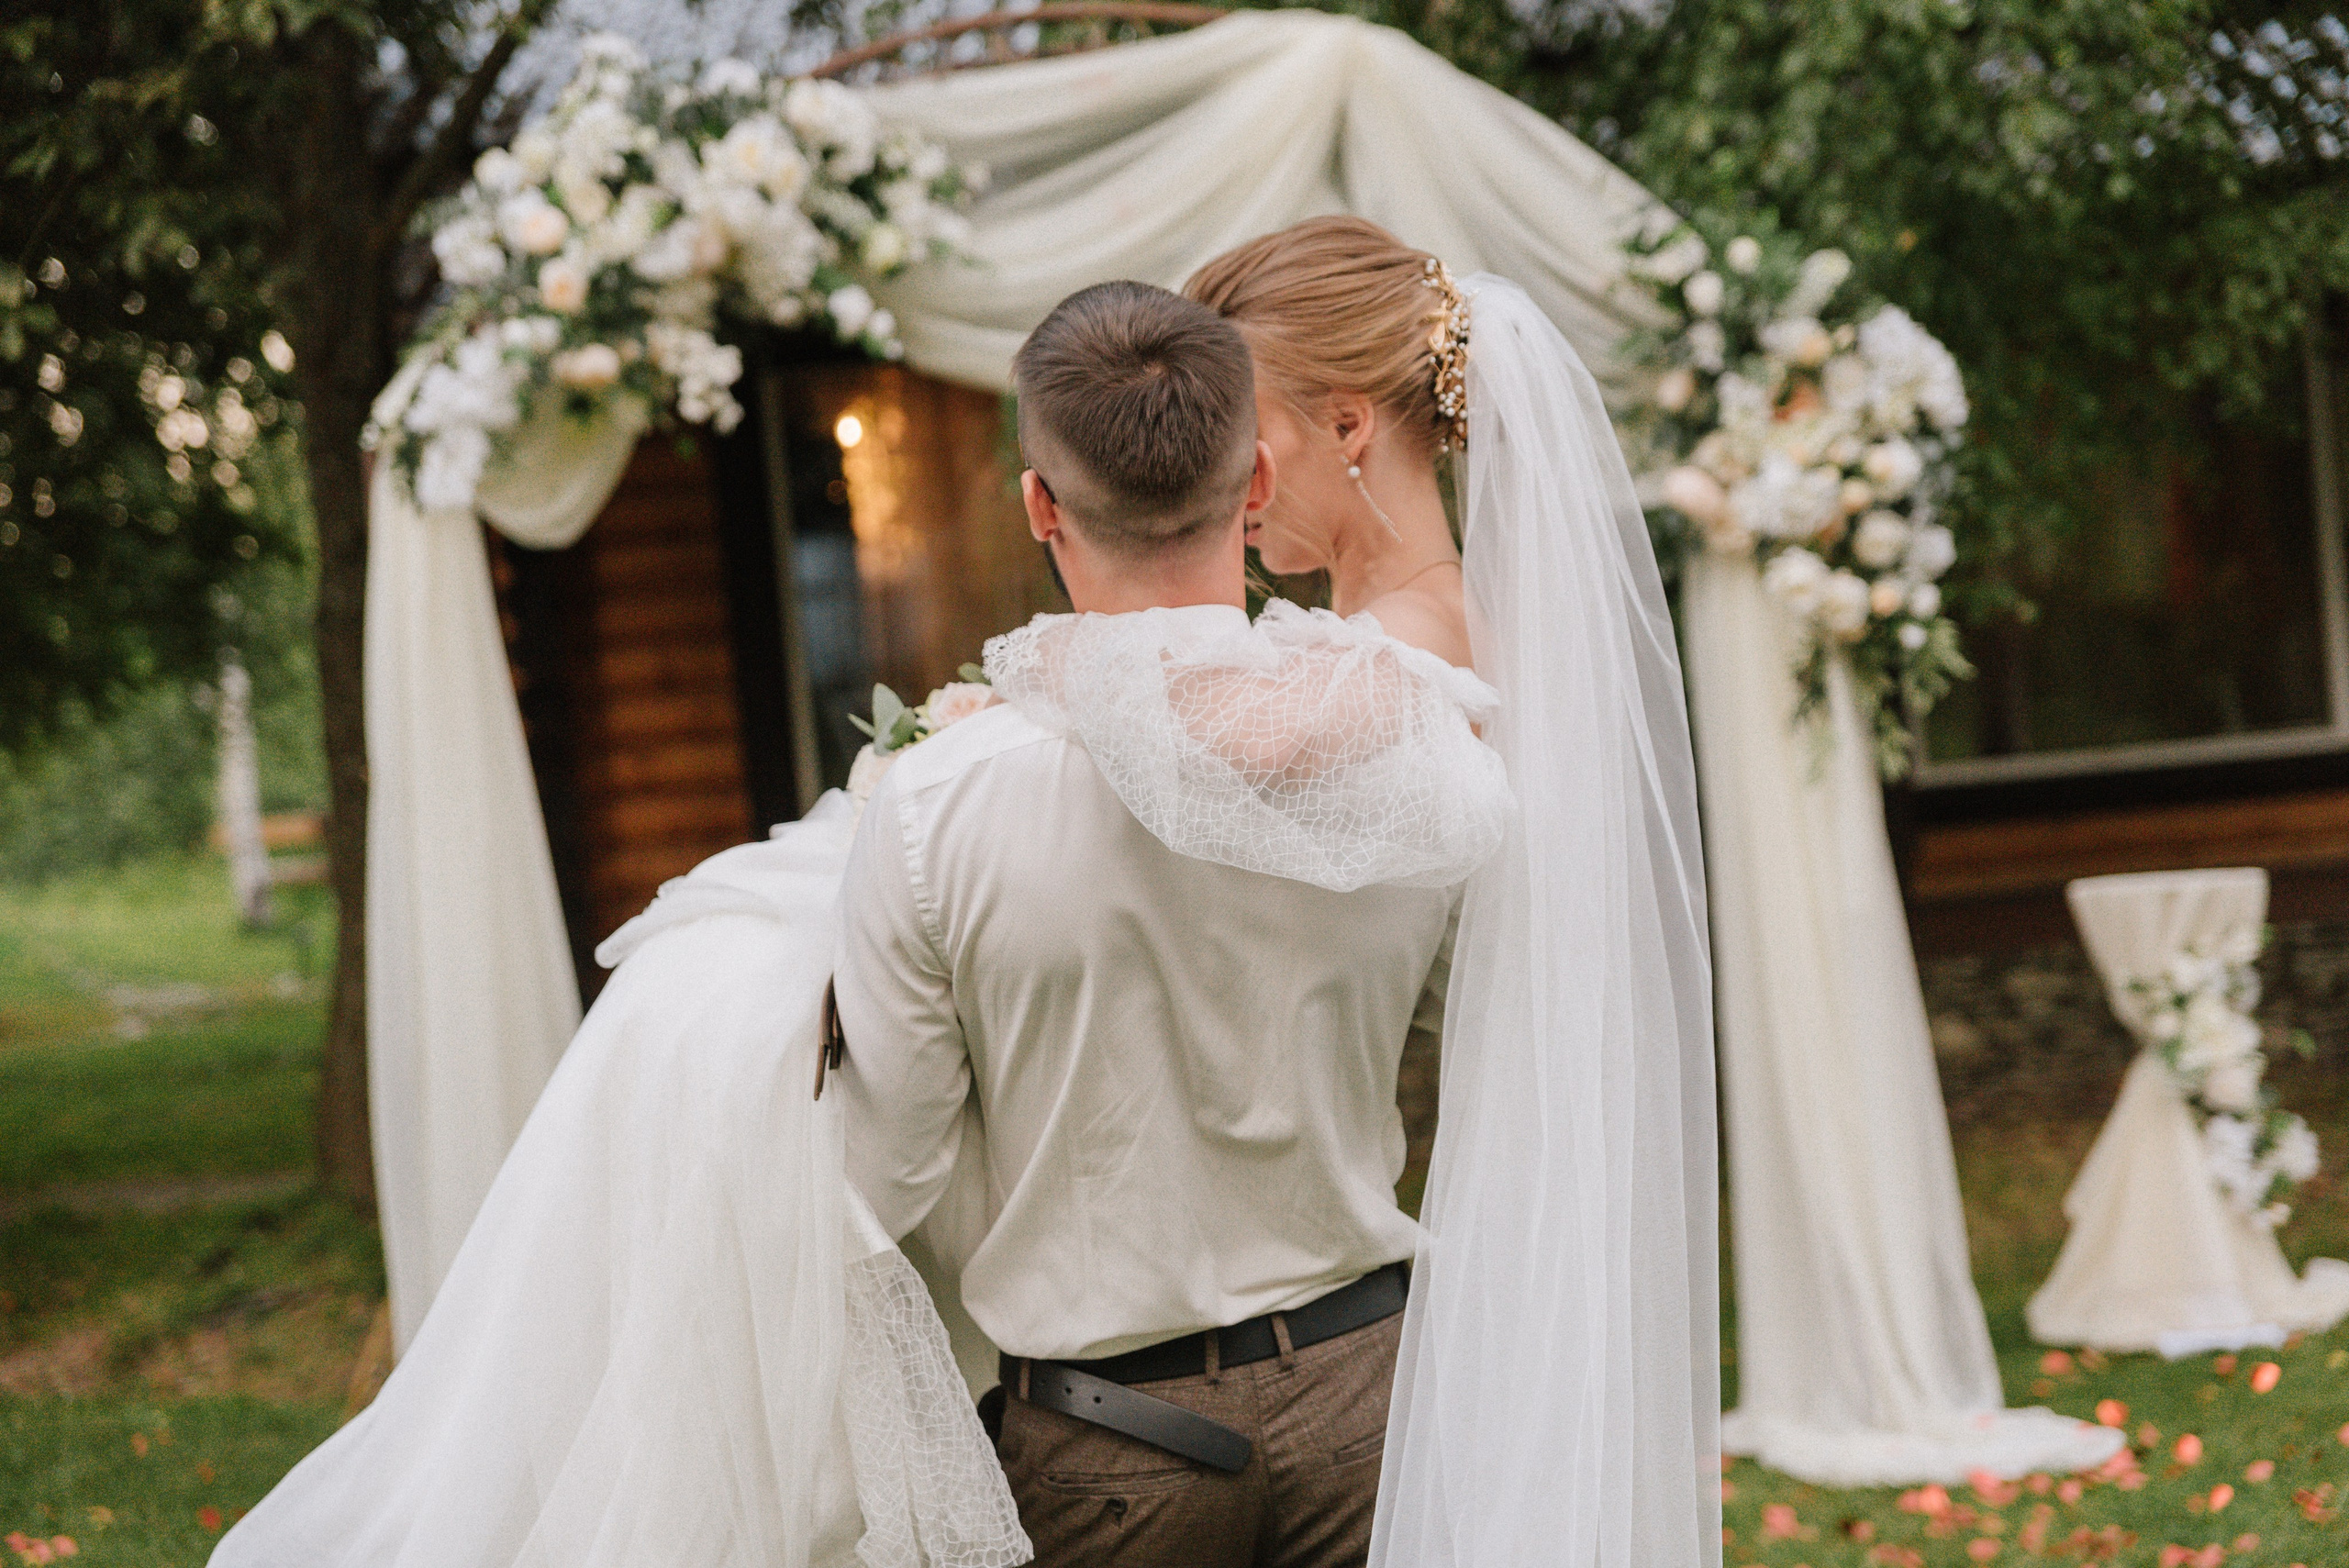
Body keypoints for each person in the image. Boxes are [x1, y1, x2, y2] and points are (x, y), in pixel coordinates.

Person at [833, 280, 1481, 1567]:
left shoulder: (934, 806)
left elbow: (886, 1167)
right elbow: (1479, 1031)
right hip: (1378, 1409)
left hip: (1109, 1453)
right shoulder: (1414, 752)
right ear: (1256, 480)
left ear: (1040, 505)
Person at [1186, 217, 1723, 1568]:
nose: (1228, 487)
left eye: (1247, 441)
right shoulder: (1407, 631)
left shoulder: (1407, 655)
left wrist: (1047, 683)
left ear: (1348, 424)